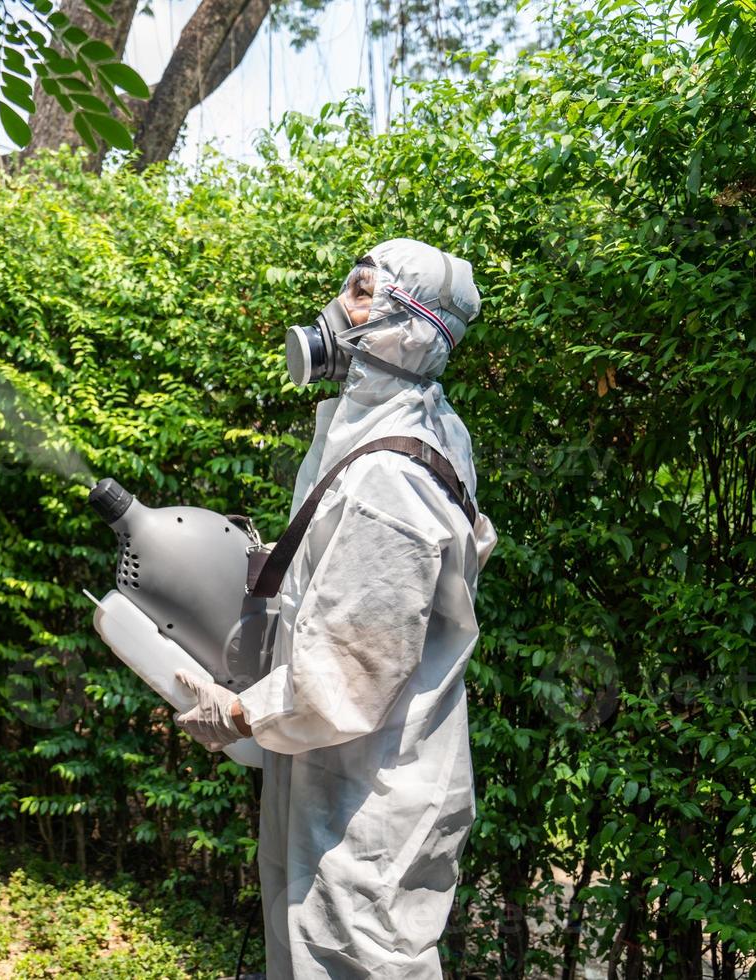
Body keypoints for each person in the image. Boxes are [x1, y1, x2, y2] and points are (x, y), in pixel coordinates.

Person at [175, 239, 497, 978]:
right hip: (347, 775)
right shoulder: (413, 430)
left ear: (407, 327)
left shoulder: (391, 479)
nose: (336, 307)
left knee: (350, 959)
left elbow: (346, 680)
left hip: (365, 799)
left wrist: (238, 714)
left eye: (360, 292)